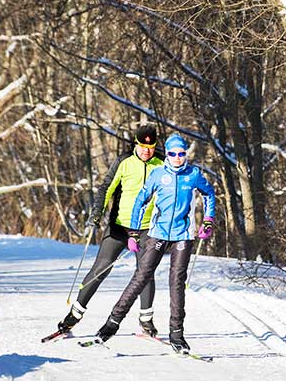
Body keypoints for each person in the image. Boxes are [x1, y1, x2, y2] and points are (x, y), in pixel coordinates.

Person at [94, 133, 216, 354]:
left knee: (177, 282)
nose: (177, 157)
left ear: (185, 154)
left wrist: (208, 220)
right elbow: (140, 201)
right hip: (158, 232)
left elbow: (209, 194)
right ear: (167, 154)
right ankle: (112, 323)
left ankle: (177, 335)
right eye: (172, 153)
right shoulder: (158, 174)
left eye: (181, 153)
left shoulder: (194, 175)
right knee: (141, 276)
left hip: (183, 235)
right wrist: (132, 233)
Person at [57, 124, 164, 336]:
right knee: (101, 269)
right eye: (143, 146)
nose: (147, 151)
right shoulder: (124, 162)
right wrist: (96, 214)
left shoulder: (161, 164)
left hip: (147, 229)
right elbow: (106, 188)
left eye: (151, 147)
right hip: (119, 227)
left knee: (145, 273)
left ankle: (146, 321)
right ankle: (74, 315)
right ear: (136, 143)